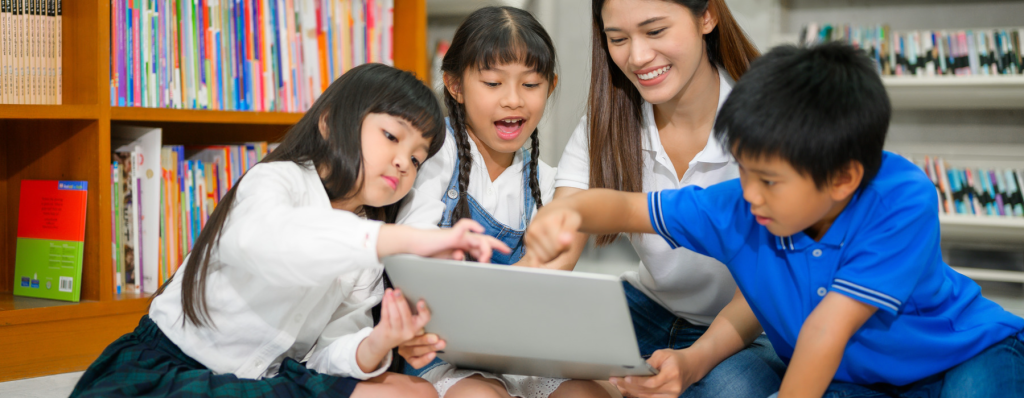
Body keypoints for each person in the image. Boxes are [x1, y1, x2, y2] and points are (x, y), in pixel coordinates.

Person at [525, 43, 1024, 398]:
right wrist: (571, 211)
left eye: (769, 180)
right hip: (854, 379)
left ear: (843, 179)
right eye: (742, 168)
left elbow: (827, 330)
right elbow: (628, 207)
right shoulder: (740, 204)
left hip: (962, 353)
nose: (748, 192)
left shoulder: (900, 196)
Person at [71, 63, 511, 398]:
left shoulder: (367, 236)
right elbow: (274, 243)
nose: (403, 161)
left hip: (268, 376)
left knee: (417, 392)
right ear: (329, 121)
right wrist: (407, 240)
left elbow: (325, 352)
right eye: (392, 137)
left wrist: (380, 340)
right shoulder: (277, 180)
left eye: (417, 158)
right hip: (173, 366)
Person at [529, 0, 784, 396]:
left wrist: (693, 361)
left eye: (655, 31)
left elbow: (770, 280)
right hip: (647, 308)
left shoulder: (769, 121)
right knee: (537, 364)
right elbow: (557, 246)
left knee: (724, 391)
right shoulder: (607, 124)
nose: (638, 56)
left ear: (707, 16)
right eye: (618, 38)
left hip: (754, 323)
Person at [395, 6, 611, 398]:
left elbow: (547, 294)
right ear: (455, 86)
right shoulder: (430, 159)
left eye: (531, 85)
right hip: (440, 354)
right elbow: (411, 259)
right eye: (493, 83)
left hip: (523, 354)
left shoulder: (550, 182)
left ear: (551, 85)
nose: (514, 100)